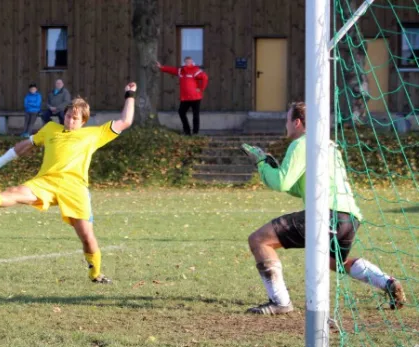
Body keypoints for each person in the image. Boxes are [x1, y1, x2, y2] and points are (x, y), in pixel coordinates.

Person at [242, 102, 407, 315]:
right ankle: (387, 282)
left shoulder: (302, 143)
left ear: (297, 122)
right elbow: (296, 187)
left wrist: (262, 164)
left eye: (287, 120)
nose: (286, 125)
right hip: (349, 217)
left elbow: (281, 183)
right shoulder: (329, 145)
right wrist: (275, 168)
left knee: (259, 240)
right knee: (334, 262)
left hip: (325, 213)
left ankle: (280, 302)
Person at [0, 82, 137, 284]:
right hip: (46, 182)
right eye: (68, 116)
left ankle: (96, 274)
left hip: (75, 188)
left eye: (75, 118)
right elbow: (25, 146)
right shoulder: (51, 128)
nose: (69, 121)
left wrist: (129, 94)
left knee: (86, 237)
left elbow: (126, 120)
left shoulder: (94, 134)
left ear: (83, 121)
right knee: (15, 192)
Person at [157, 57, 208, 135]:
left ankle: (195, 132)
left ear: (192, 62)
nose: (188, 63)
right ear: (184, 62)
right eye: (186, 61)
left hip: (195, 97)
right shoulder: (181, 71)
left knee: (195, 115)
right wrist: (162, 67)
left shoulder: (196, 70)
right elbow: (172, 70)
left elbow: (205, 78)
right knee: (181, 112)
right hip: (185, 98)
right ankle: (187, 131)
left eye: (189, 61)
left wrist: (201, 89)